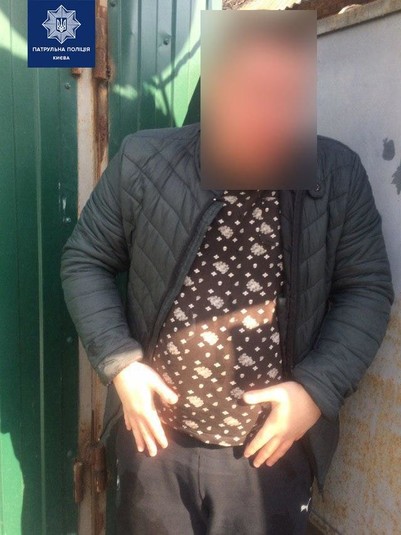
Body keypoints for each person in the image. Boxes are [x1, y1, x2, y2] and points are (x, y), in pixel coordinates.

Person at [60, 17, 394, 535]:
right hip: (155, 440)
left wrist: (315, 391)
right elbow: (86, 259)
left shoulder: (338, 174)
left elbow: (365, 289)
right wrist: (121, 365)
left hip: (271, 449)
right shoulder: (144, 160)